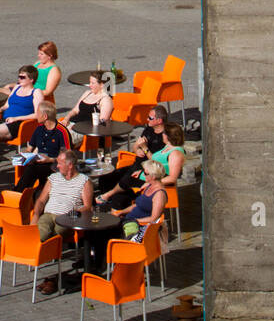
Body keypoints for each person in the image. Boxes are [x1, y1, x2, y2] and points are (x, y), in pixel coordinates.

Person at [31, 149, 94, 293]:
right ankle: (47, 271)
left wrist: (75, 212)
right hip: (48, 214)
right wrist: (35, 215)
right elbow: (41, 200)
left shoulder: (84, 181)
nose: (57, 166)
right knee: (41, 233)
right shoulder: (53, 178)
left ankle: (51, 277)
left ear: (70, 165)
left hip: (66, 219)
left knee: (53, 238)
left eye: (59, 163)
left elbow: (88, 206)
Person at [96, 122, 185, 210]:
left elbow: (172, 178)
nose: (162, 134)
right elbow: (154, 162)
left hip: (156, 182)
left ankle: (108, 195)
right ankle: (114, 204)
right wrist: (143, 171)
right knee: (118, 180)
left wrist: (149, 182)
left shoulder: (176, 153)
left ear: (168, 136)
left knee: (127, 181)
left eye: (164, 133)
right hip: (148, 176)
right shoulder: (167, 147)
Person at [15, 102, 71, 194]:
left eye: (38, 113)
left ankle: (18, 195)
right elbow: (29, 148)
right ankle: (23, 195)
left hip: (55, 165)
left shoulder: (61, 132)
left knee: (31, 169)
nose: (36, 115)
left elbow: (68, 157)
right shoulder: (39, 129)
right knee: (31, 167)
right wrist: (26, 156)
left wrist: (49, 159)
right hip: (39, 162)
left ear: (45, 116)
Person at [0, 66, 42, 148]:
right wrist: (0, 109)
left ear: (31, 79)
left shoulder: (36, 92)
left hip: (18, 124)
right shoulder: (17, 87)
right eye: (19, 77)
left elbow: (38, 115)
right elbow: (7, 105)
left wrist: (16, 118)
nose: (19, 79)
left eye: (22, 77)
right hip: (4, 120)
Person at [61, 71, 114, 145]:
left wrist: (77, 127)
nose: (90, 85)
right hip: (72, 123)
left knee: (60, 138)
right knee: (49, 131)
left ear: (101, 85)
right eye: (90, 82)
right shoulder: (87, 93)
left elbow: (102, 122)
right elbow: (75, 110)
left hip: (84, 129)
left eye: (92, 83)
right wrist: (66, 118)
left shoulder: (105, 100)